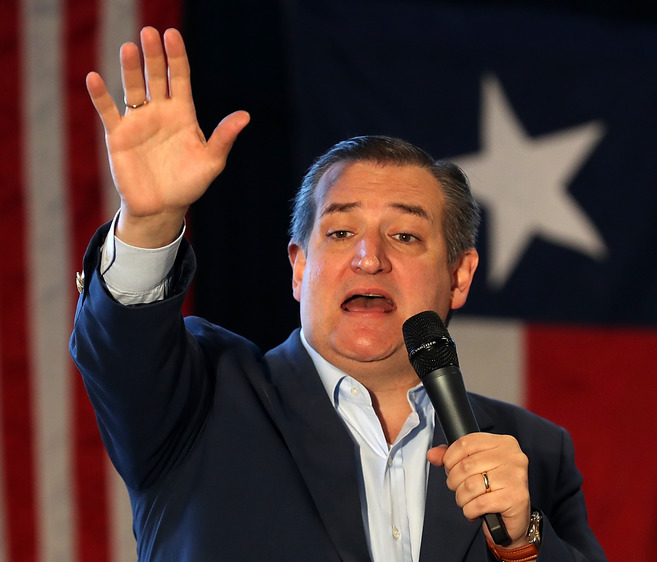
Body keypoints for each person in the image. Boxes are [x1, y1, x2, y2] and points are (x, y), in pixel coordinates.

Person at [70, 27, 605, 562]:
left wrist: (522, 544)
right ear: (299, 269)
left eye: (405, 236)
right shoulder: (200, 398)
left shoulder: (532, 452)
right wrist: (152, 222)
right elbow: (123, 351)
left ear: (460, 276)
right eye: (341, 233)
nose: (368, 258)